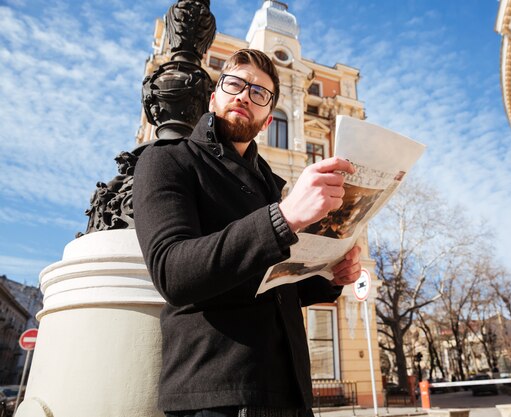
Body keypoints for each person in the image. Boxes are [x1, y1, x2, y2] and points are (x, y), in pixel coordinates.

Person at [133, 48, 362, 417]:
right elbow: (172, 272)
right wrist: (282, 218)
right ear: (214, 96)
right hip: (217, 393)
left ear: (268, 119)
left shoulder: (270, 186)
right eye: (235, 84)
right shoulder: (167, 160)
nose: (244, 95)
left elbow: (271, 286)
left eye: (259, 93)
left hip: (290, 393)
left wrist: (330, 278)